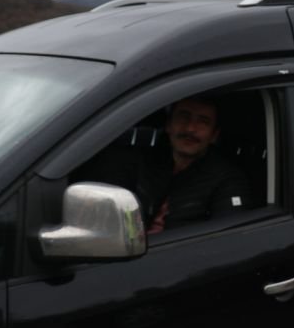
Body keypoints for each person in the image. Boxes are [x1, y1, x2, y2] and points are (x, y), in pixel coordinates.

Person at [80, 96, 253, 234]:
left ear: (214, 135)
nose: (191, 128)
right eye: (184, 116)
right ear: (169, 125)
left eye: (203, 121)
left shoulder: (227, 180)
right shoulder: (135, 162)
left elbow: (226, 240)